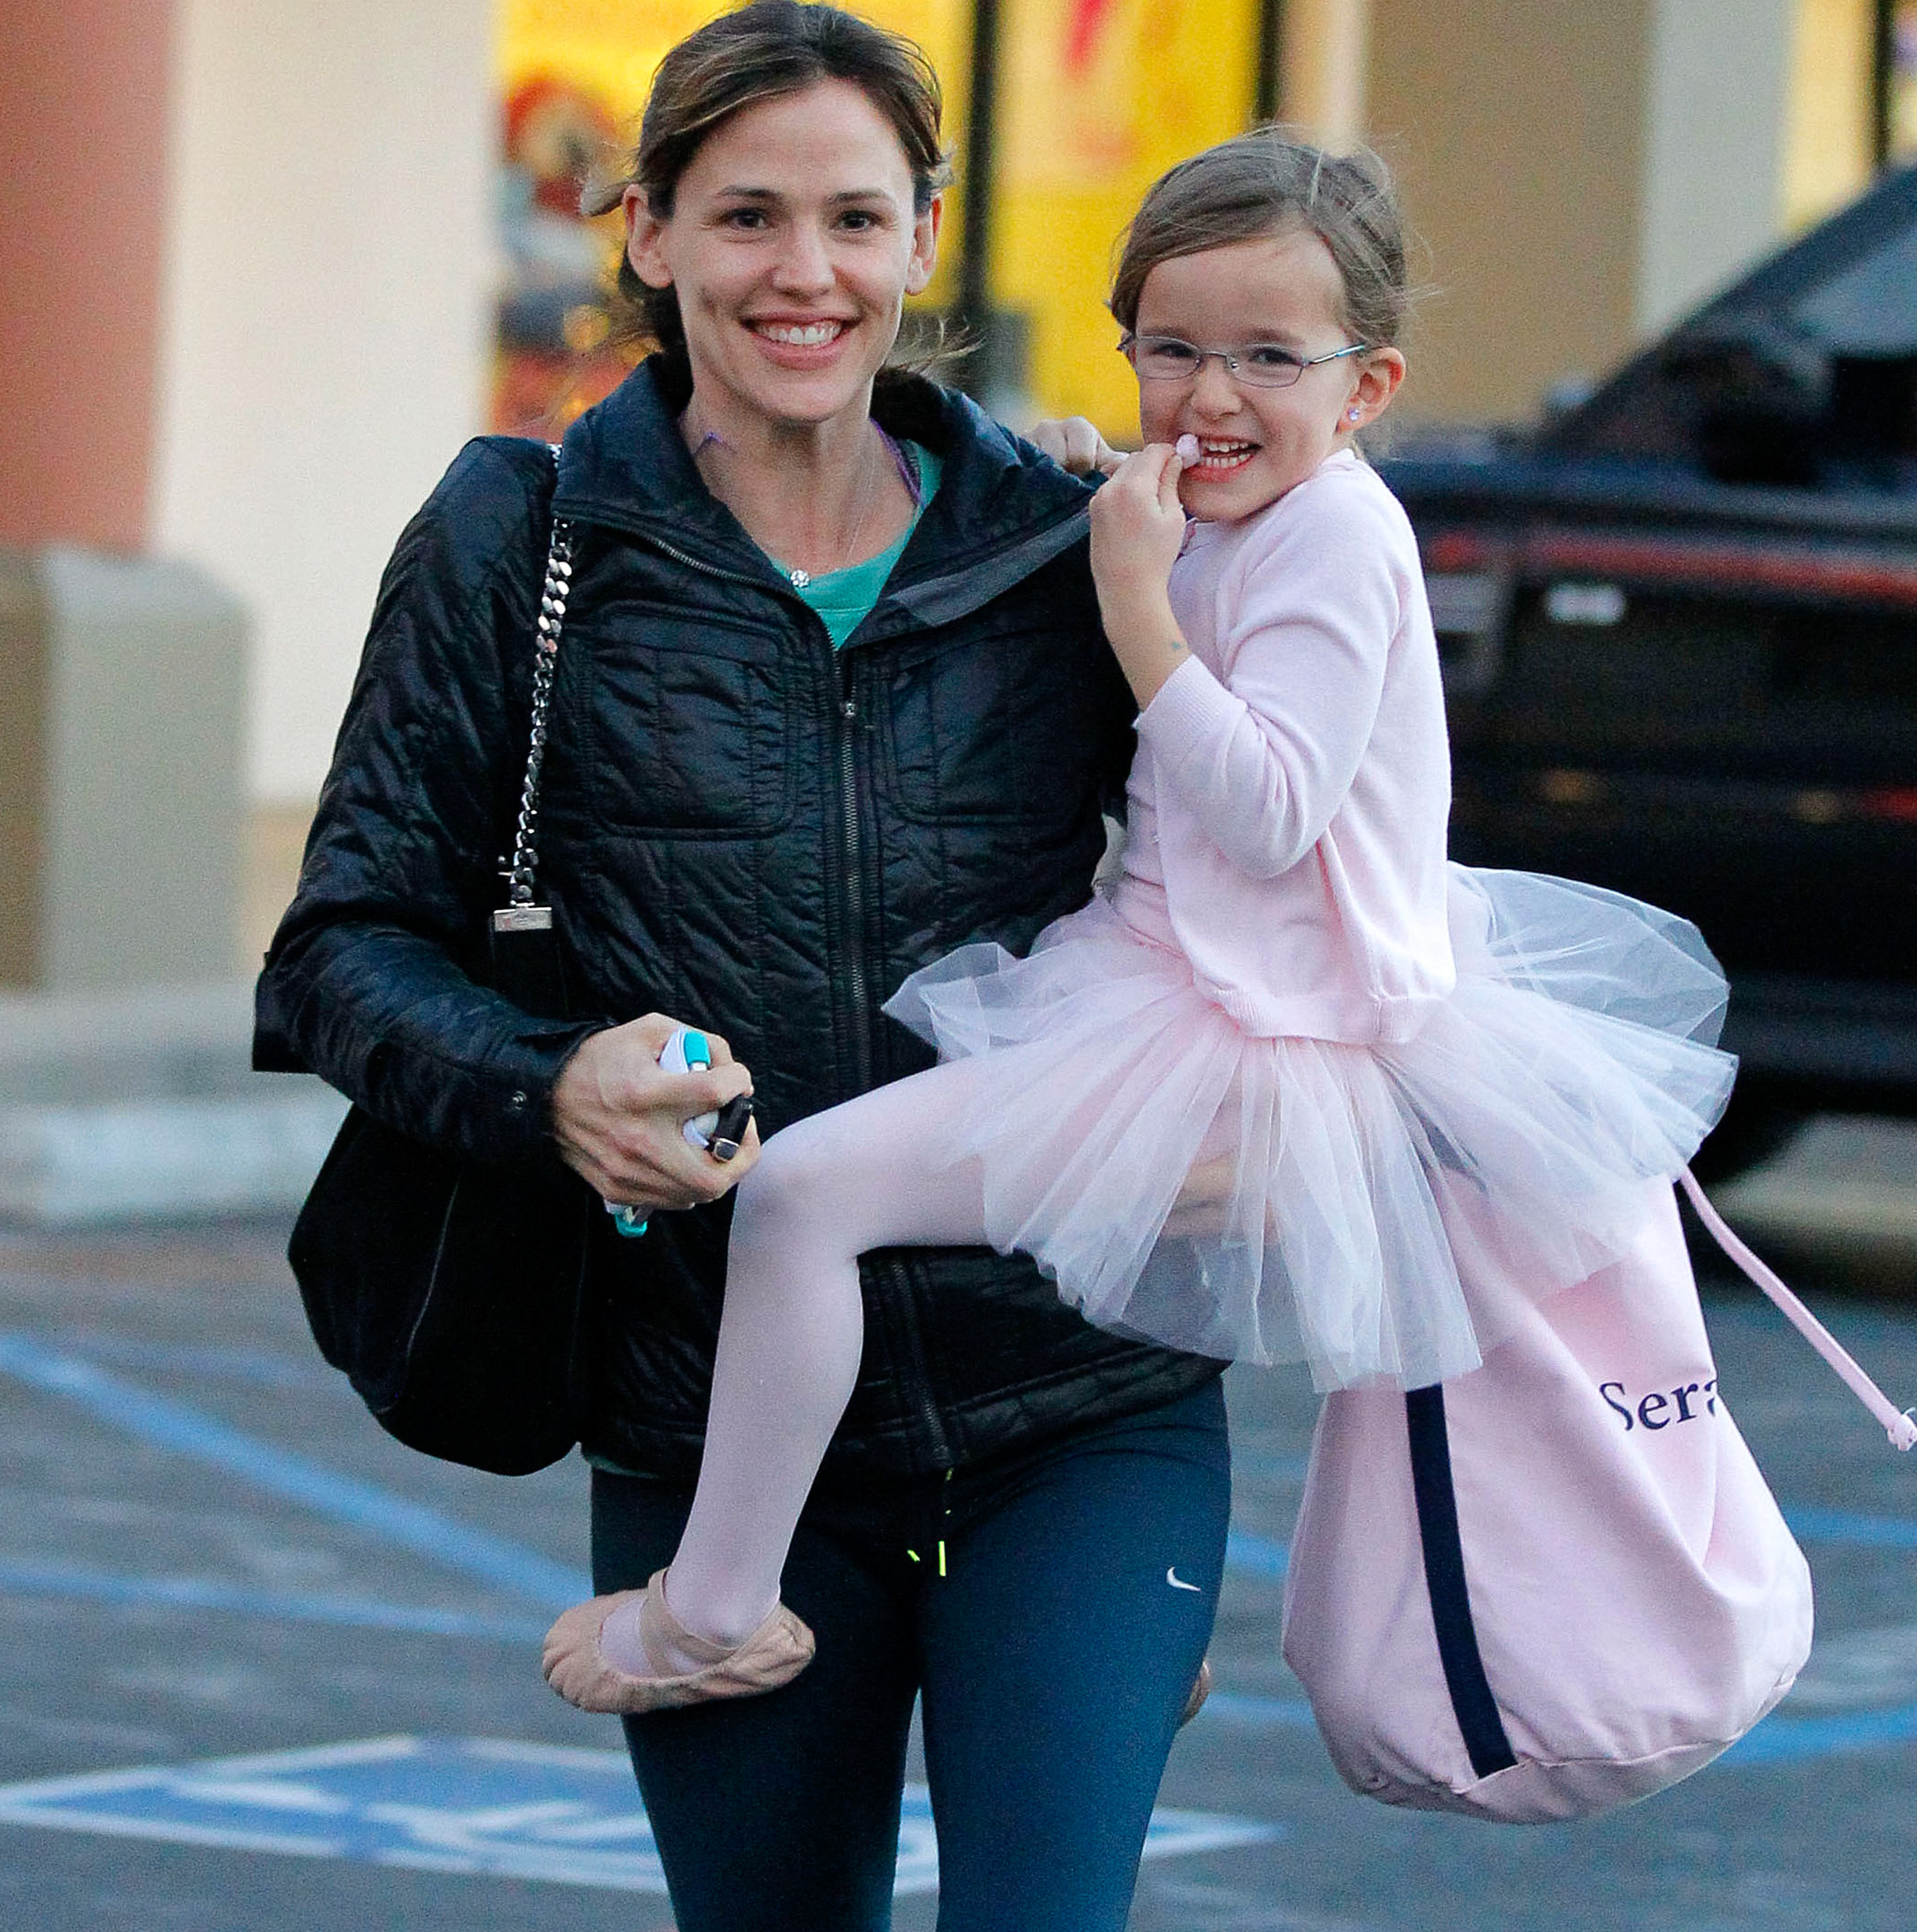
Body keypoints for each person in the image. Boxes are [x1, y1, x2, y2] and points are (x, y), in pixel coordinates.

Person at [257, 0, 1233, 1932]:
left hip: (1078, 1394)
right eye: (747, 217)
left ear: (927, 239)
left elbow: (1290, 855)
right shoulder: (521, 544)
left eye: (856, 220)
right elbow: (338, 947)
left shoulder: (1069, 542)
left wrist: (1251, 1109)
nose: (806, 274)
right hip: (720, 1424)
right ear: (649, 234)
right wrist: (548, 1085)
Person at [540, 127, 1739, 1715]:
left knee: (803, 1196)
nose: (1209, 395)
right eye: (1169, 350)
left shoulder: (1333, 535)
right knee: (857, 1207)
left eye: (1265, 356)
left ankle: (715, 1607)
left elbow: (1263, 804)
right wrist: (1087, 486)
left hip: (1247, 1034)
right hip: (1193, 993)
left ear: (1366, 386)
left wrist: (1128, 596)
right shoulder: (1238, 502)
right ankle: (1097, 1628)